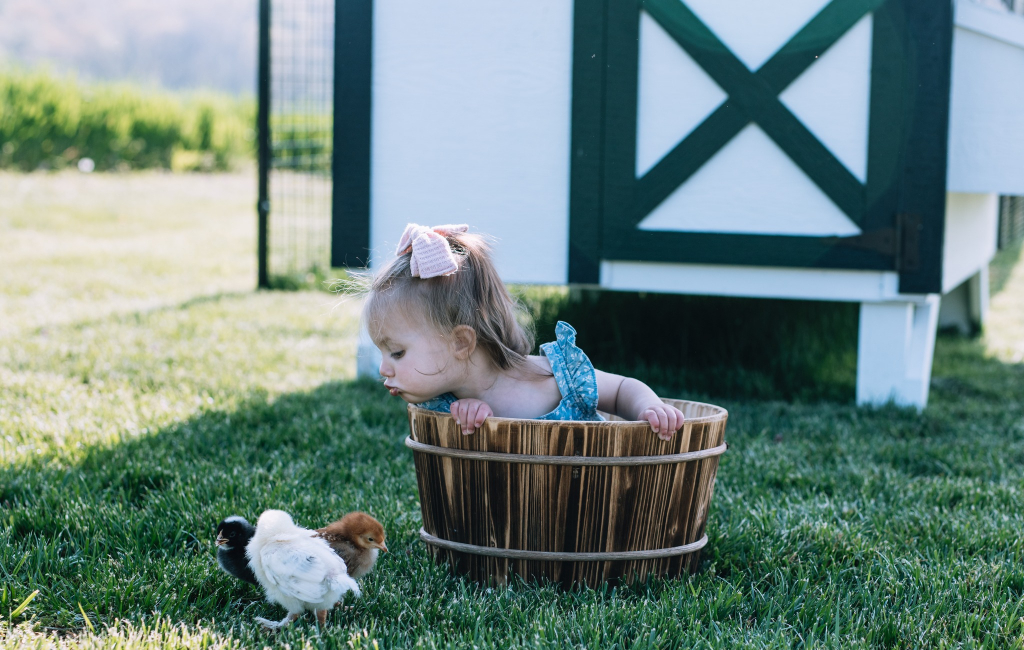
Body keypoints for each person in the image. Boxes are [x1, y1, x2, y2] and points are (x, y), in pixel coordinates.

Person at [362, 223, 686, 439]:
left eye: (397, 352)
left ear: (461, 342)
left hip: (590, 511)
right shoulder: (441, 409)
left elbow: (621, 389)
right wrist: (470, 423)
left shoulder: (560, 377)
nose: (383, 368)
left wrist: (648, 406)